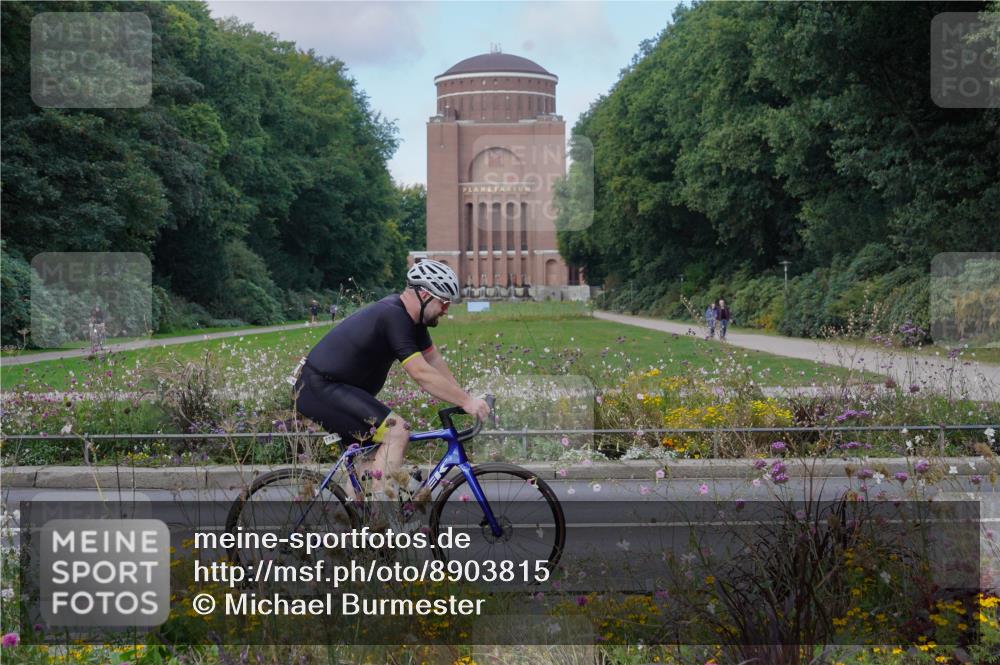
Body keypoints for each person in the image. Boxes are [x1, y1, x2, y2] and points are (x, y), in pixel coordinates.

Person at [293, 260, 490, 499]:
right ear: (425, 295)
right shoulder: (393, 315)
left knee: (367, 471)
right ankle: (382, 514)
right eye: (444, 302)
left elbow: (433, 361)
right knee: (397, 431)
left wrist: (464, 398)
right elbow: (420, 373)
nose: (446, 309)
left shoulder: (413, 321)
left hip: (336, 390)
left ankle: (358, 518)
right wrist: (466, 401)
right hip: (320, 388)